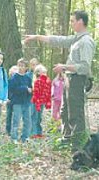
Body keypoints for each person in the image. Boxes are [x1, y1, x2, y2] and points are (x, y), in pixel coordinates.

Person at [25, 10, 96, 151]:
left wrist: (64, 66)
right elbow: (58, 40)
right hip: (69, 78)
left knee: (76, 113)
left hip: (78, 79)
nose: (71, 23)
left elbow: (84, 67)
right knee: (64, 110)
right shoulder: (76, 38)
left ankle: (79, 147)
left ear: (81, 21)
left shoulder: (86, 41)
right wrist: (37, 37)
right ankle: (67, 138)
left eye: (72, 21)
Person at [9, 59, 32, 144]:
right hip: (17, 102)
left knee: (27, 121)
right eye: (19, 65)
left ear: (26, 67)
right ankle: (14, 137)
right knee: (16, 120)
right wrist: (25, 88)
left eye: (23, 66)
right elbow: (13, 89)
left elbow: (30, 88)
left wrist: (30, 92)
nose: (21, 67)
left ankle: (25, 137)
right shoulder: (14, 77)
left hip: (26, 102)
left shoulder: (28, 78)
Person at [31, 64, 51, 138]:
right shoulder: (36, 81)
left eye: (46, 73)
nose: (45, 74)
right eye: (43, 72)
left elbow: (47, 92)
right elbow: (36, 93)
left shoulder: (47, 81)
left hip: (42, 101)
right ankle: (33, 132)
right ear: (38, 73)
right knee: (34, 116)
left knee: (39, 117)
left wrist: (48, 101)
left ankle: (39, 132)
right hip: (35, 102)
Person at [5, 65, 18, 136]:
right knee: (9, 115)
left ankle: (14, 130)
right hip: (9, 100)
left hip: (17, 101)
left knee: (16, 116)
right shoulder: (8, 81)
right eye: (12, 74)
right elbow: (6, 90)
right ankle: (8, 129)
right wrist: (6, 98)